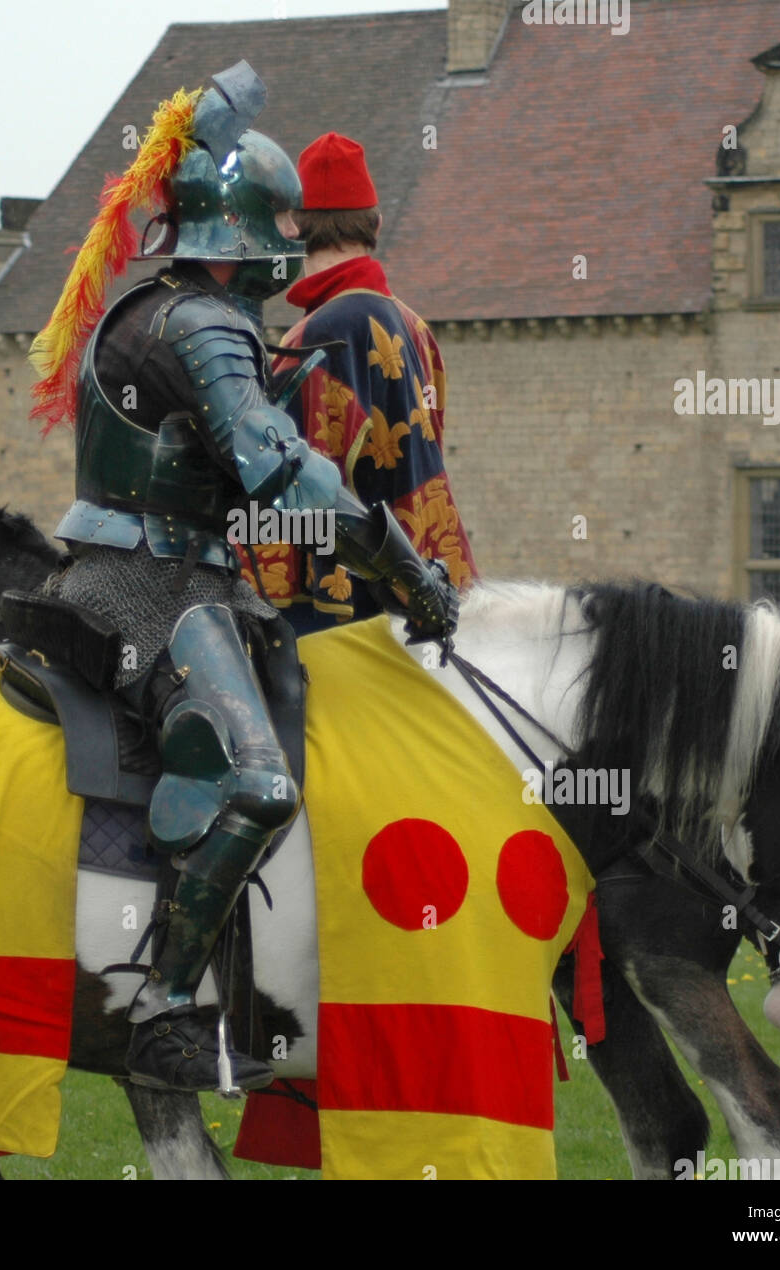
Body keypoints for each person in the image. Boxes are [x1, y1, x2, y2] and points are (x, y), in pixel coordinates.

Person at [27, 63, 458, 1093]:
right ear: (255, 232)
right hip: (155, 581)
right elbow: (280, 469)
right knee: (260, 784)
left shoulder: (157, 307)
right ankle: (168, 1007)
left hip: (152, 564)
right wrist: (403, 568)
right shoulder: (199, 321)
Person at [248, 132, 477, 634]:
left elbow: (291, 497)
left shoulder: (315, 336)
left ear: (294, 227)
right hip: (429, 578)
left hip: (354, 612)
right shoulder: (416, 327)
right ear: (375, 223)